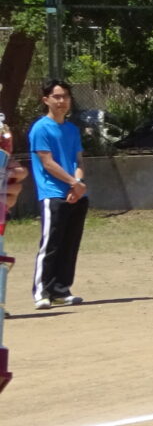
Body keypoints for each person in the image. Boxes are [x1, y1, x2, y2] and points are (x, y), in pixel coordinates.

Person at [30, 80, 88, 311]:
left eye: (65, 96)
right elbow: (47, 162)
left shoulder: (72, 129)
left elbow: (79, 160)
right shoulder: (40, 128)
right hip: (52, 194)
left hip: (76, 194)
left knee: (69, 244)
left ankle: (61, 290)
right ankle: (41, 292)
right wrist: (72, 182)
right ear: (46, 100)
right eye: (56, 96)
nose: (61, 101)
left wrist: (79, 184)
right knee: (51, 245)